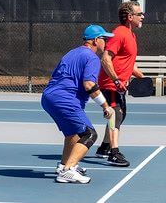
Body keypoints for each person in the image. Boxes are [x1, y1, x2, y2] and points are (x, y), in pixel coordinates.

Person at [41, 24, 115, 184]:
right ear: (96, 40)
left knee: (73, 134)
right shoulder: (92, 57)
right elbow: (89, 84)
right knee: (89, 134)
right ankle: (68, 170)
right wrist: (105, 106)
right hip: (64, 99)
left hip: (49, 97)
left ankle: (64, 166)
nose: (106, 43)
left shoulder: (72, 53)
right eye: (104, 39)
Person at [95, 1, 145, 167]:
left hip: (120, 84)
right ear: (130, 17)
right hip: (110, 83)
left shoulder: (131, 35)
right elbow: (105, 58)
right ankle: (114, 153)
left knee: (119, 115)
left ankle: (104, 147)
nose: (142, 16)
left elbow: (129, 62)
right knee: (115, 114)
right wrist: (116, 79)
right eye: (140, 14)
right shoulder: (119, 33)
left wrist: (142, 77)